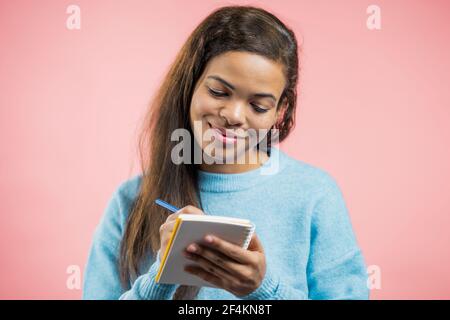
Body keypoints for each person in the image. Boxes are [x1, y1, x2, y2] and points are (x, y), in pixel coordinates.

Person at [82, 5, 369, 300]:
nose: (233, 115)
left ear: (279, 112)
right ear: (190, 83)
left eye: (258, 106)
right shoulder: (131, 200)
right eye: (219, 92)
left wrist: (264, 291)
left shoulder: (314, 194)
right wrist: (160, 278)